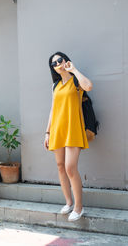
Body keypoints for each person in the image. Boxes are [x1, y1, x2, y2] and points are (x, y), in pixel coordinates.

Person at [44, 52, 93, 221]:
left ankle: (79, 207)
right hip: (57, 129)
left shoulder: (76, 81)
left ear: (66, 60)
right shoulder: (55, 86)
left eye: (60, 60)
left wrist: (74, 70)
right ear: (53, 69)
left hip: (73, 128)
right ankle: (69, 202)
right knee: (60, 166)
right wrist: (47, 132)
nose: (58, 63)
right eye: (54, 63)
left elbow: (89, 86)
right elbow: (53, 110)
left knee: (70, 167)